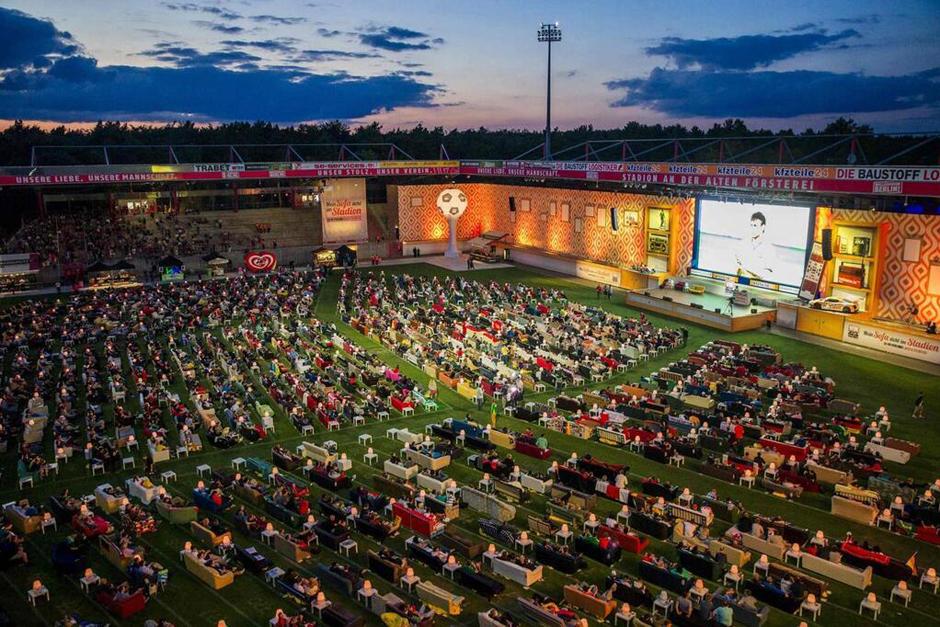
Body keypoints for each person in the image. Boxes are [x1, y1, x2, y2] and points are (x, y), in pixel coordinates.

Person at [733, 211, 778, 279]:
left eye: (755, 226)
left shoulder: (769, 249)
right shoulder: (742, 244)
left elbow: (767, 274)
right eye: (751, 225)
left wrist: (746, 267)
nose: (752, 229)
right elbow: (736, 263)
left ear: (763, 227)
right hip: (741, 283)